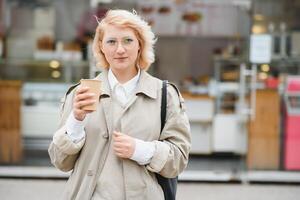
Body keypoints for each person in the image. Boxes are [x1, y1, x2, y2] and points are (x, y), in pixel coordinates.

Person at [48, 9, 191, 200]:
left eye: (128, 40)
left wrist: (139, 150)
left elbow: (179, 160)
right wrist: (76, 120)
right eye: (111, 42)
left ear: (140, 44)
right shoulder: (80, 94)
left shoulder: (166, 95)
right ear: (101, 47)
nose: (120, 49)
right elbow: (61, 162)